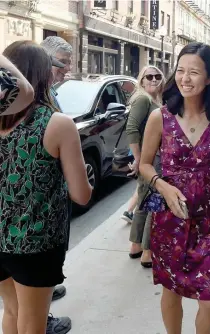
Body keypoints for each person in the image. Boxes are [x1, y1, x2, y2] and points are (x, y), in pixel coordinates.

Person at [140, 42, 210, 333]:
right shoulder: (160, 117)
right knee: (172, 290)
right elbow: (144, 165)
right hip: (170, 220)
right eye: (180, 70)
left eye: (194, 72)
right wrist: (163, 187)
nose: (185, 78)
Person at [0, 41, 92, 334]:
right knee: (32, 321)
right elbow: (82, 194)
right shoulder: (57, 124)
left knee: (12, 311)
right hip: (36, 243)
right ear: (43, 76)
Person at [41, 36, 74, 334]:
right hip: (37, 208)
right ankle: (43, 316)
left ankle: (44, 295)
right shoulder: (39, 102)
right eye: (62, 63)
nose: (67, 69)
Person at [126, 65, 165, 267]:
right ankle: (148, 252)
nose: (153, 79)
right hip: (152, 160)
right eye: (148, 76)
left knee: (143, 201)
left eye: (157, 76)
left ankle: (136, 246)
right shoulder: (143, 99)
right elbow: (131, 128)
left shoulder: (154, 101)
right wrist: (140, 158)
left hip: (150, 159)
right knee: (154, 205)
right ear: (141, 80)